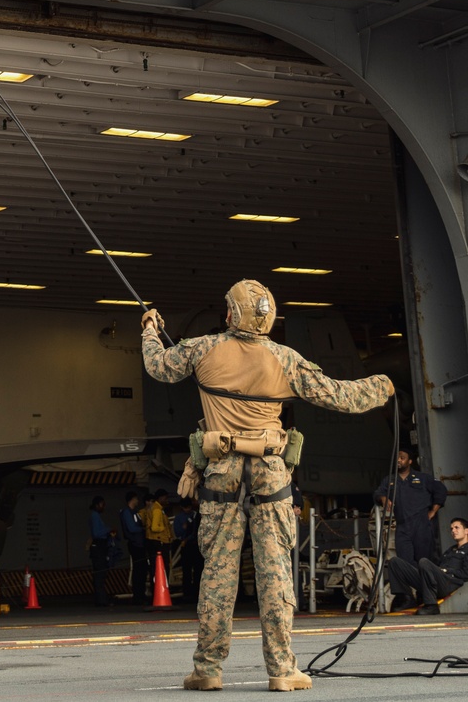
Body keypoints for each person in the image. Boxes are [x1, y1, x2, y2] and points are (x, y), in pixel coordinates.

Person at [142, 278, 394, 693]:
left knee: (218, 576)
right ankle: (282, 670)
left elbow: (158, 365)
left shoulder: (203, 348)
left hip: (221, 472)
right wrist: (382, 387)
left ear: (231, 314)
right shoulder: (285, 359)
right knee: (275, 572)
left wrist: (150, 328)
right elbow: (341, 396)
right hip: (271, 475)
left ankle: (207, 670)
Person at [375, 448, 446, 563]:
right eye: (397, 458)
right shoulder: (389, 479)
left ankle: (424, 581)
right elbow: (378, 493)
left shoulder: (423, 478)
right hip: (402, 526)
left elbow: (441, 491)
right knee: (405, 562)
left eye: (402, 458)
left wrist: (433, 511)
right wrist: (383, 498)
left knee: (424, 561)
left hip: (421, 525)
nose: (398, 460)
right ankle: (410, 581)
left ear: (410, 461)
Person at [387, 515, 468, 613]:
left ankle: (431, 605)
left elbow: (465, 574)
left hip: (450, 583)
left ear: (466, 531)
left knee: (424, 562)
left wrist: (446, 571)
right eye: (451, 529)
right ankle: (406, 598)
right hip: (436, 582)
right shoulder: (450, 550)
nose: (453, 531)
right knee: (395, 562)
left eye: (457, 528)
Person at [119, 490, 149, 604]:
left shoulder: (134, 512)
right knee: (138, 569)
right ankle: (138, 594)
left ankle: (141, 593)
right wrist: (143, 529)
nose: (137, 501)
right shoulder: (127, 512)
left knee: (142, 568)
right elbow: (131, 528)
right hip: (135, 543)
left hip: (139, 543)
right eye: (136, 499)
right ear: (132, 499)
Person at [144, 489, 174, 591]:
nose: (166, 500)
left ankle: (156, 591)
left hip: (154, 541)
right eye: (165, 498)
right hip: (159, 542)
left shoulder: (154, 508)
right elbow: (155, 527)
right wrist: (164, 528)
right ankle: (161, 590)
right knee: (162, 568)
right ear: (160, 498)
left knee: (155, 568)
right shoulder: (157, 510)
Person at [88, 495, 112, 608]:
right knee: (100, 574)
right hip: (98, 548)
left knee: (100, 574)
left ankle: (101, 599)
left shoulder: (95, 516)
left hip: (98, 547)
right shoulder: (95, 516)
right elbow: (97, 533)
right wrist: (108, 530)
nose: (103, 507)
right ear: (97, 505)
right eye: (102, 504)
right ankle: (101, 600)